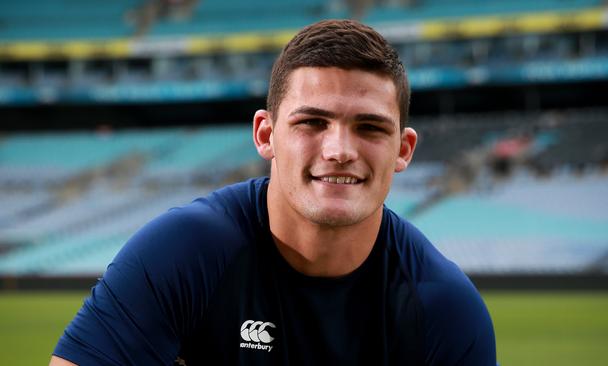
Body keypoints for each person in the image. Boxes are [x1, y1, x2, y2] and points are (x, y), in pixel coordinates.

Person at [50, 19, 496, 365]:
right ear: (265, 135)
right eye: (312, 122)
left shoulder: (445, 310)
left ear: (403, 149)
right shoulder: (181, 255)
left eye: (369, 127)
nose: (339, 150)